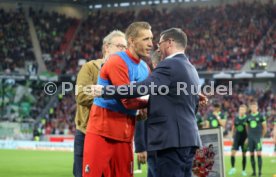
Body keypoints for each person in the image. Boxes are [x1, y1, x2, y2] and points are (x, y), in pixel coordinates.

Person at [94, 28, 208, 177]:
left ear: (169, 43)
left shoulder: (169, 65)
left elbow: (143, 88)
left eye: (159, 43)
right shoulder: (191, 68)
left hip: (170, 142)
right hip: (188, 140)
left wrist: (106, 91)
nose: (156, 47)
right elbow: (192, 106)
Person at [82, 22, 153, 177]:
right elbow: (127, 100)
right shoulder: (117, 61)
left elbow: (142, 99)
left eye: (151, 39)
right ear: (132, 41)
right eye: (146, 39)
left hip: (125, 135)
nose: (150, 44)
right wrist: (150, 103)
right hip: (102, 132)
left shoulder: (145, 68)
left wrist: (145, 106)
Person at [73, 30, 127, 177]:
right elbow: (81, 95)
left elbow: (129, 102)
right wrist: (114, 97)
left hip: (115, 136)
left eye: (125, 47)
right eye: (119, 46)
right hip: (87, 133)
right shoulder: (90, 68)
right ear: (106, 48)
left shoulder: (126, 72)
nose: (123, 50)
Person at [246, 101, 267, 177]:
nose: (253, 108)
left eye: (255, 107)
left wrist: (261, 137)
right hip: (251, 139)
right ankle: (254, 172)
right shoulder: (248, 117)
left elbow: (265, 128)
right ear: (251, 108)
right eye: (252, 107)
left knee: (258, 154)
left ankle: (260, 173)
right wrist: (248, 136)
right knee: (251, 155)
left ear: (257, 107)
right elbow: (247, 127)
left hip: (258, 138)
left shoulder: (261, 116)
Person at [228, 104, 248, 176]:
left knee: (244, 154)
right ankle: (233, 168)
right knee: (232, 153)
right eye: (240, 109)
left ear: (245, 111)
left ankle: (243, 170)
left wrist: (248, 138)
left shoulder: (247, 118)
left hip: (244, 139)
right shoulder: (236, 118)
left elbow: (248, 129)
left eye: (243, 109)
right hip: (237, 138)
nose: (241, 111)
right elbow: (233, 128)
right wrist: (231, 135)